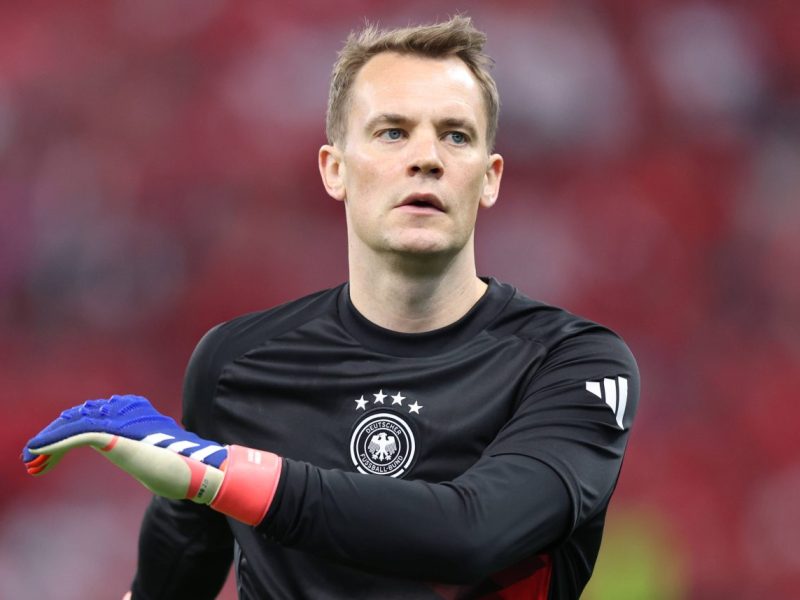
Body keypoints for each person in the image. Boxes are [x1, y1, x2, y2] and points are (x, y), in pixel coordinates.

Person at [22, 15, 639, 600]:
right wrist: (211, 474)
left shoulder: (575, 365)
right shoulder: (235, 366)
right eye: (392, 132)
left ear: (490, 177)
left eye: (456, 136)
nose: (427, 157)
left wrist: (217, 473)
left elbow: (473, 534)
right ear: (334, 169)